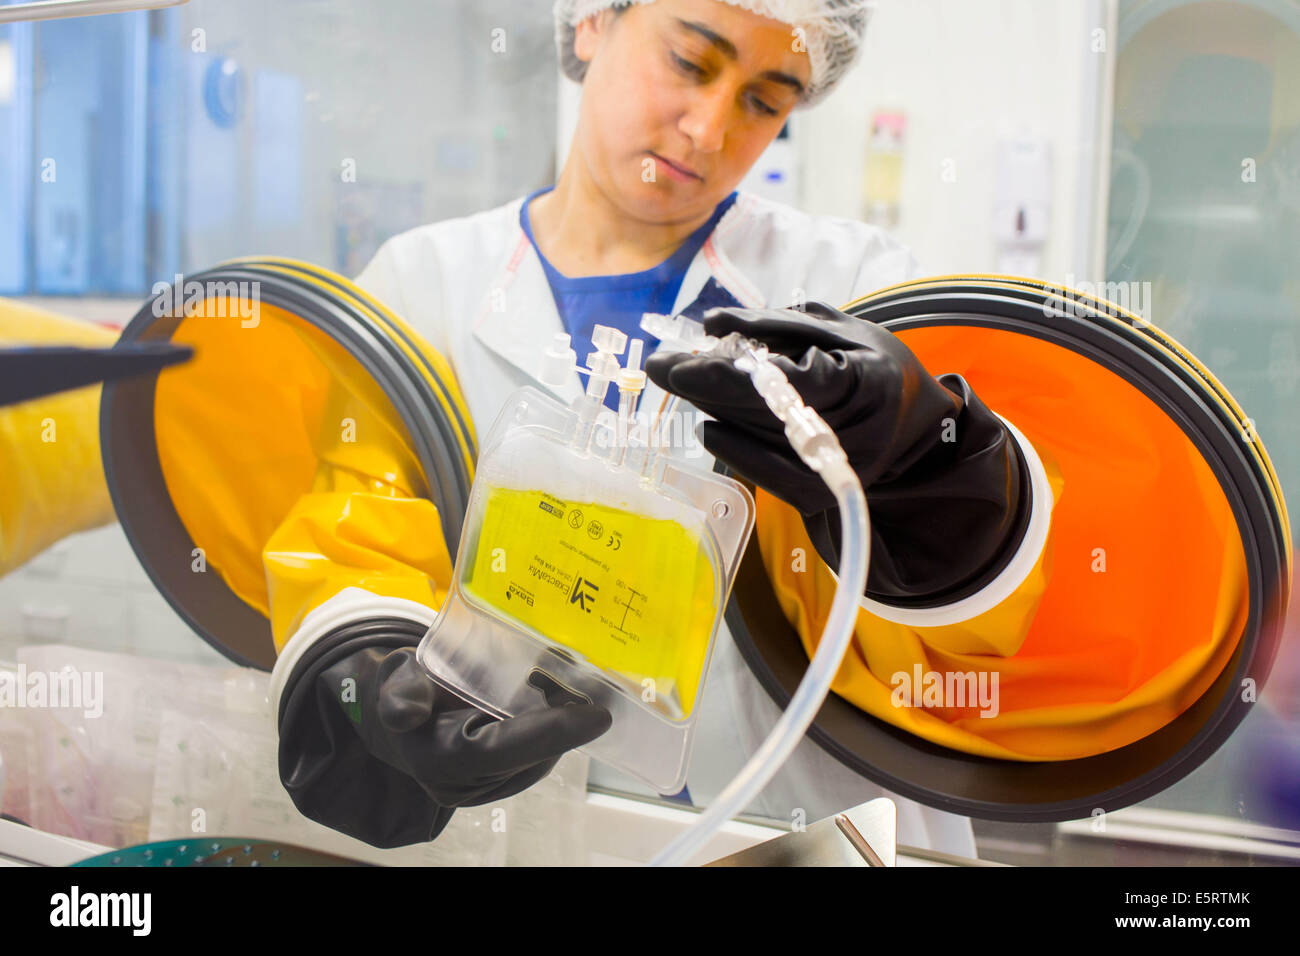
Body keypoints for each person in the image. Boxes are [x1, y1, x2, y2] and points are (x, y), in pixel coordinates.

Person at [273, 0, 1054, 856]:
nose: (709, 128)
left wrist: (929, 473)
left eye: (766, 99)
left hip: (829, 831)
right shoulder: (420, 286)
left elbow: (990, 636)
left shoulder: (859, 288)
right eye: (689, 61)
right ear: (591, 23)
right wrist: (362, 676)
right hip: (545, 838)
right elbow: (355, 537)